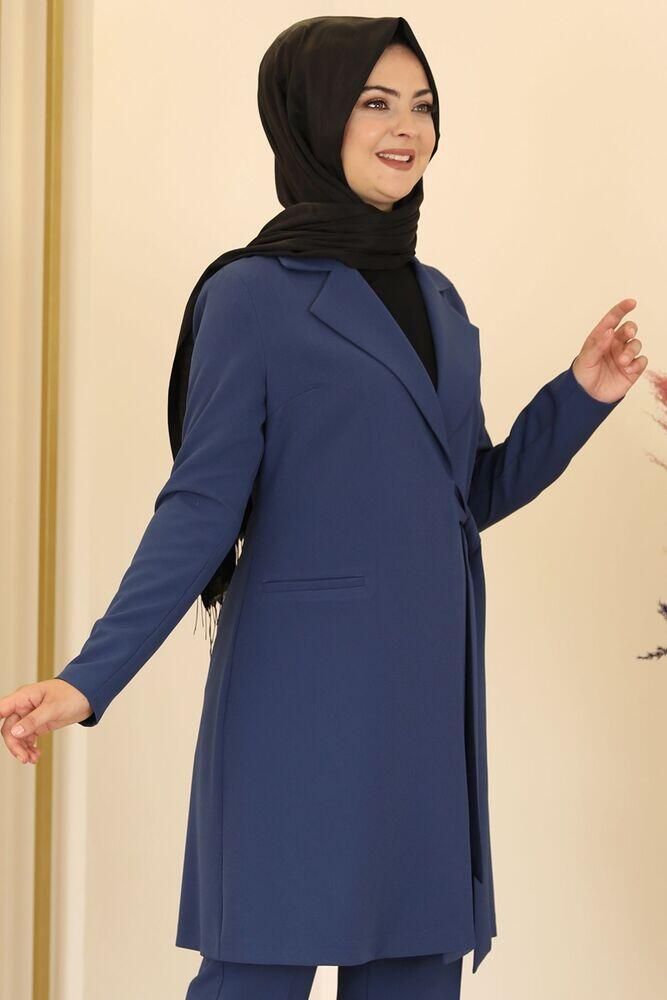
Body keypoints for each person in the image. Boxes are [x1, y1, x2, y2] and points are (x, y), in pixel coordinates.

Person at [0, 15, 645, 1000]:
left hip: (426, 715)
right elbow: (200, 508)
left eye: (422, 105)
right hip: (294, 715)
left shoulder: (441, 302)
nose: (406, 127)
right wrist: (89, 679)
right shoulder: (251, 295)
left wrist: (580, 396)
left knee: (414, 977)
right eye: (374, 102)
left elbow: (461, 493)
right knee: (254, 976)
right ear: (311, 119)